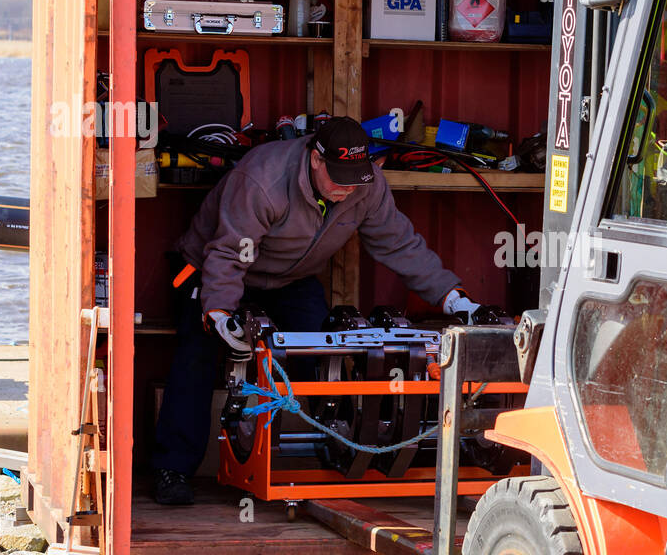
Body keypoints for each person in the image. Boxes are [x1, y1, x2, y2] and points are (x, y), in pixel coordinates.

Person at [151, 116, 480, 505]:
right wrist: (221, 313)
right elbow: (228, 251)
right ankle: (172, 469)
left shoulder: (365, 186)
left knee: (323, 353)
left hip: (290, 280)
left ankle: (338, 455)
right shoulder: (263, 179)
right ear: (315, 160)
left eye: (354, 178)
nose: (345, 188)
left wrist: (453, 298)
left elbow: (400, 244)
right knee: (197, 352)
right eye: (338, 177)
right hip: (215, 269)